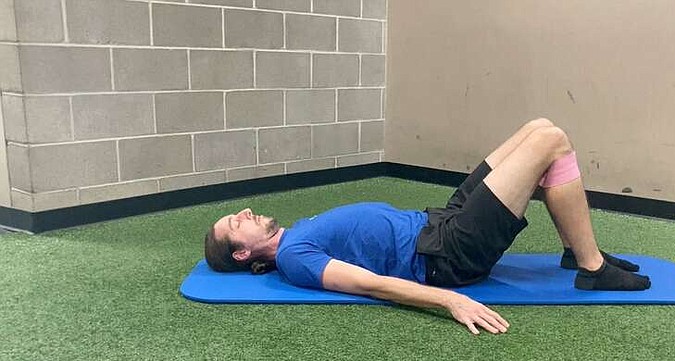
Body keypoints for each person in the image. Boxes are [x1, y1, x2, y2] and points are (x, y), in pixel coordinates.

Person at [204, 118, 651, 335]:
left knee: (539, 127)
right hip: (447, 255)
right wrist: (450, 300)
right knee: (550, 144)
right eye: (235, 225)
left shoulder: (295, 233)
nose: (244, 213)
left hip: (439, 221)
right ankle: (591, 268)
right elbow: (372, 285)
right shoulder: (293, 257)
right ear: (242, 253)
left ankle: (577, 247)